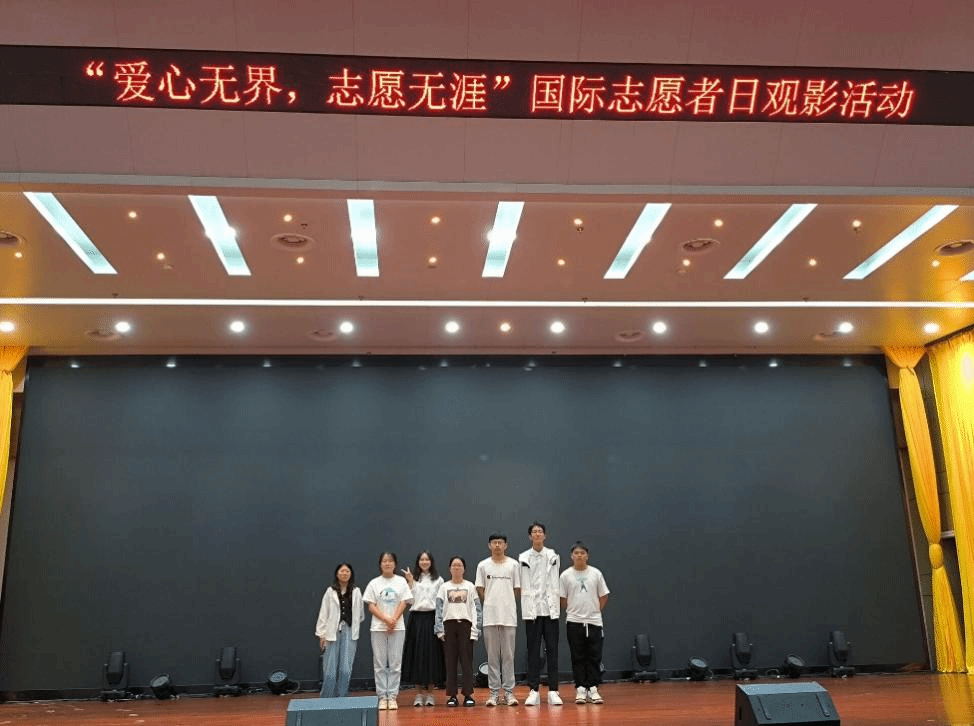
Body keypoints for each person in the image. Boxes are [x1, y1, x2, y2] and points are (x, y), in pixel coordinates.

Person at [559, 541, 610, 705]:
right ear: (571, 556)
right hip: (574, 622)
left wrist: (594, 611)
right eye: (576, 553)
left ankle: (593, 688)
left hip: (594, 622)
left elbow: (603, 596)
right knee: (578, 656)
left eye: (582, 553)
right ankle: (581, 688)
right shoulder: (565, 575)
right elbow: (562, 599)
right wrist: (575, 610)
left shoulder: (596, 573)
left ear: (587, 556)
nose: (579, 555)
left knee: (594, 656)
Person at [475, 532, 521, 707]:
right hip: (490, 617)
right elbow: (480, 588)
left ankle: (509, 693)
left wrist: (505, 602)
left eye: (500, 543)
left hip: (508, 617)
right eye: (494, 542)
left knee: (508, 656)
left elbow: (517, 589)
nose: (497, 545)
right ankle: (493, 693)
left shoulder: (513, 565)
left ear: (505, 545)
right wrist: (491, 602)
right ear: (489, 545)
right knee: (492, 658)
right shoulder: (483, 565)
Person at [518, 521, 562, 706]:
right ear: (530, 536)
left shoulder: (553, 556)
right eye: (534, 532)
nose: (537, 534)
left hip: (550, 611)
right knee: (533, 652)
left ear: (545, 535)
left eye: (540, 531)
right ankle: (534, 690)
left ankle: (553, 691)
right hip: (532, 612)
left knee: (552, 651)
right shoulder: (522, 558)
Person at [363, 552, 413, 710]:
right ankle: (382, 697)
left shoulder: (401, 582)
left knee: (395, 664)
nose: (387, 564)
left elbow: (404, 602)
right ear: (380, 564)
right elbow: (371, 606)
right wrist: (385, 619)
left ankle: (392, 696)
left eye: (390, 561)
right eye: (384, 561)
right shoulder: (374, 583)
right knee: (379, 663)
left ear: (395, 564)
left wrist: (394, 619)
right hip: (378, 628)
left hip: (397, 627)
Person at [434, 556, 482, 708]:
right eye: (454, 565)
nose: (456, 568)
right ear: (449, 569)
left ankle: (468, 694)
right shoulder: (444, 587)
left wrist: (476, 629)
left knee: (467, 662)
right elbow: (439, 609)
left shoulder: (470, 586)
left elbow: (476, 609)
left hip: (465, 626)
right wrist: (439, 630)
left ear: (464, 569)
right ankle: (452, 695)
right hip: (448, 627)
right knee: (450, 662)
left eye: (459, 565)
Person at [401, 551, 445, 706]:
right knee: (417, 656)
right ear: (418, 562)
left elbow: (441, 603)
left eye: (427, 559)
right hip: (416, 619)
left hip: (432, 617)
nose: (424, 562)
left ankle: (431, 694)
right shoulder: (413, 578)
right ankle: (419, 694)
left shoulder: (439, 580)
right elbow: (409, 600)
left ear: (431, 562)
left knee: (432, 656)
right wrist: (410, 582)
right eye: (422, 559)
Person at [315, 562, 365, 698]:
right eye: (342, 571)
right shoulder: (330, 591)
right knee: (330, 668)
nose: (344, 573)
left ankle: (342, 696)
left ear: (351, 574)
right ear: (337, 574)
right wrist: (321, 634)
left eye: (347, 571)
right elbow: (323, 613)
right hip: (332, 631)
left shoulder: (356, 591)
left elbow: (360, 614)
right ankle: (327, 697)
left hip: (349, 631)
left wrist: (351, 623)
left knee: (346, 668)